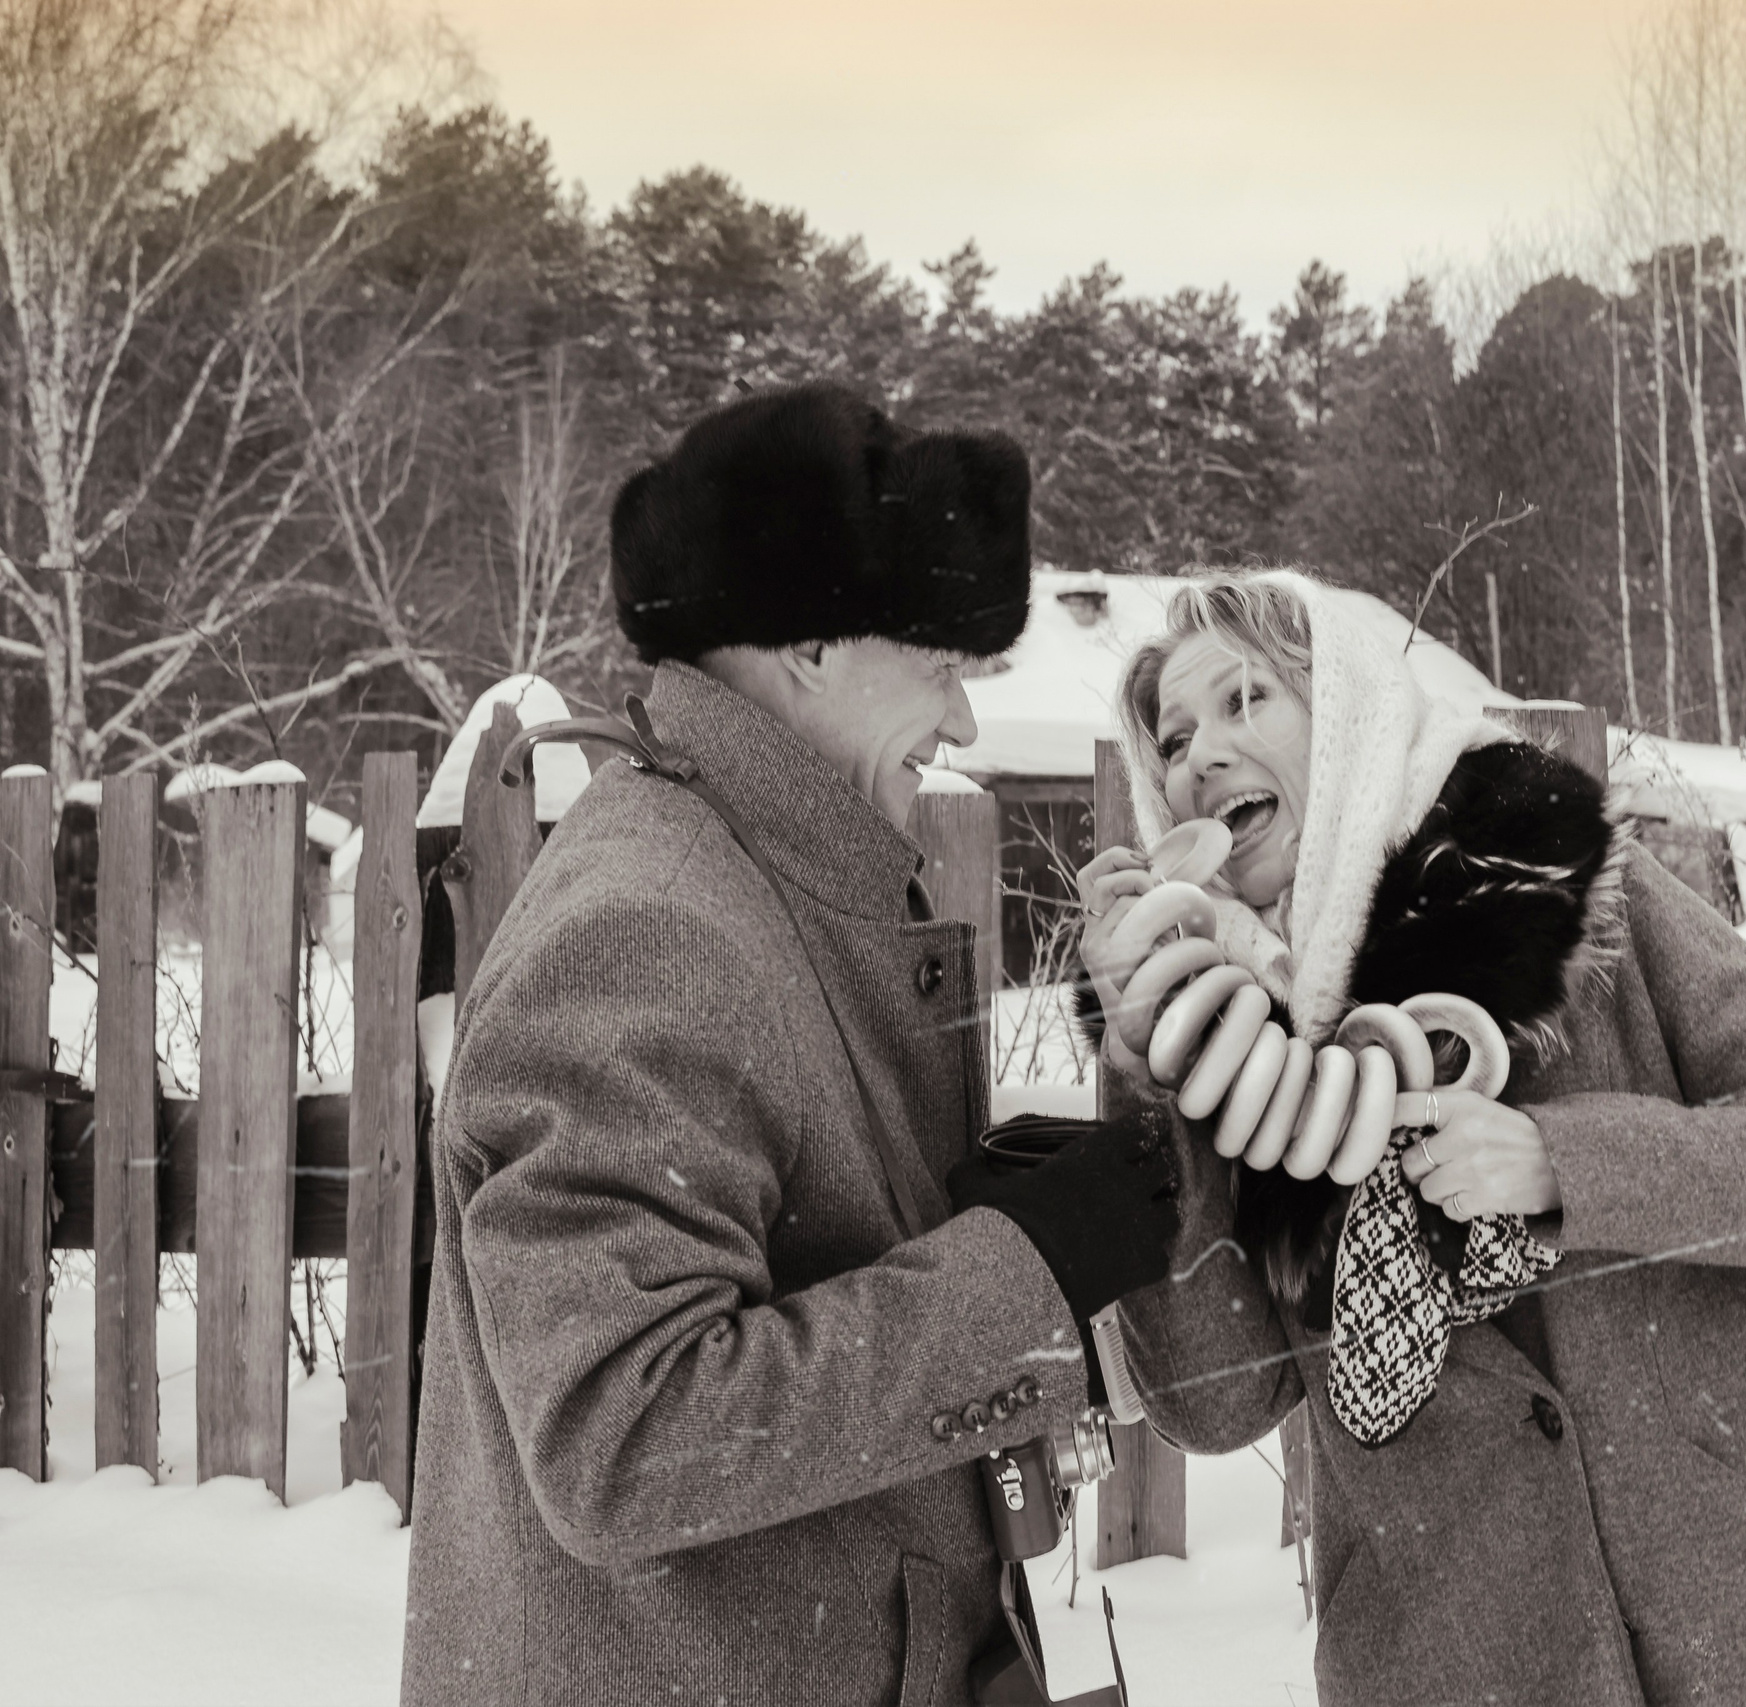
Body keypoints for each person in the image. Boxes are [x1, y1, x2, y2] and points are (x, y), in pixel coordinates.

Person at [401, 382, 1178, 1706]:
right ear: (811, 646)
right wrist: (1019, 1269)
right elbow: (624, 1436)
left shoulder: (772, 880)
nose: (964, 724)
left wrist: (977, 1202)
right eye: (940, 663)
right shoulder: (648, 930)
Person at [1085, 569, 1746, 1706]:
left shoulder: (1575, 897)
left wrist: (1562, 1164)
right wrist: (1147, 1068)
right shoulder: (1235, 1062)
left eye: (1248, 703)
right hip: (1455, 1664)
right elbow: (1212, 1404)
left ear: (1342, 719)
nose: (1199, 755)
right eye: (1176, 736)